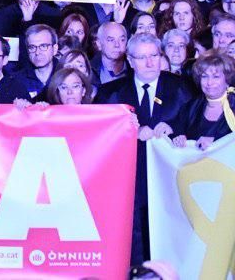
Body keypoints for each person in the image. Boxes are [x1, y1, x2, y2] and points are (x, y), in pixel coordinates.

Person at [95, 32, 197, 264]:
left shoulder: (183, 88)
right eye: (142, 58)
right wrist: (130, 131)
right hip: (129, 183)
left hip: (171, 182)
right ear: (130, 61)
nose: (150, 62)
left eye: (154, 55)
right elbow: (99, 136)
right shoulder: (110, 93)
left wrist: (174, 129)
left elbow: (196, 124)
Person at [177, 51, 235, 147]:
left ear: (227, 80)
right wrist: (179, 137)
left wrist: (216, 142)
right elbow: (178, 129)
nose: (209, 82)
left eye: (216, 77)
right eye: (204, 76)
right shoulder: (190, 107)